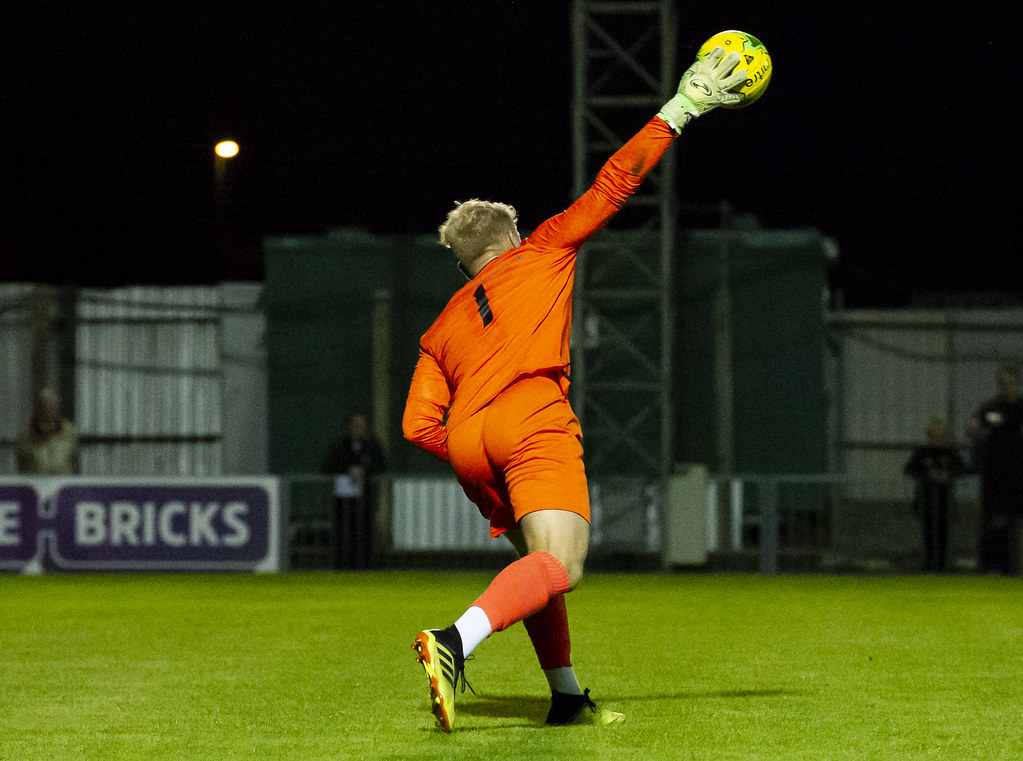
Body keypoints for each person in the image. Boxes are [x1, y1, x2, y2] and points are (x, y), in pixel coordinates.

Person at [402, 46, 749, 731]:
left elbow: (417, 426)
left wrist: (473, 446)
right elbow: (614, 183)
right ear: (515, 234)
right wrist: (679, 111)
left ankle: (565, 696)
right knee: (562, 563)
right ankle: (453, 640)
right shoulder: (542, 251)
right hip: (531, 417)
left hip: (470, 439)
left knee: (540, 567)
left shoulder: (441, 325)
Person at [965, 362, 1023, 575]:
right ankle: (992, 566)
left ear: (1017, 383)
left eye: (1008, 384)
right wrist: (974, 428)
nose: (1004, 388)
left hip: (1018, 474)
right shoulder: (991, 407)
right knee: (995, 521)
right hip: (995, 475)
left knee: (1015, 520)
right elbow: (971, 427)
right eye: (1001, 384)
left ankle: (1016, 568)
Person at [321, 413, 387, 569]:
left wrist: (363, 471)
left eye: (361, 426)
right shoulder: (339, 446)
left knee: (365, 533)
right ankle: (342, 565)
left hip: (365, 501)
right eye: (355, 425)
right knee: (343, 533)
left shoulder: (372, 447)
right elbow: (327, 467)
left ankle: (365, 566)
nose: (358, 429)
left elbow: (382, 466)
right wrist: (346, 470)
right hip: (343, 502)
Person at [904, 418, 965, 573]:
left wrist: (948, 475)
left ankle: (943, 564)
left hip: (945, 499)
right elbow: (909, 469)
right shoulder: (921, 451)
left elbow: (962, 468)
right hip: (926, 499)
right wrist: (926, 475)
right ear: (928, 436)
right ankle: (928, 563)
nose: (936, 438)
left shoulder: (950, 451)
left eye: (940, 435)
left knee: (944, 531)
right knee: (928, 531)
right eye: (933, 435)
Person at [16, 387, 79, 475]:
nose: (48, 412)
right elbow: (22, 469)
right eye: (44, 407)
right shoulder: (26, 437)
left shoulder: (70, 432)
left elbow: (76, 464)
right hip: (37, 485)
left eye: (52, 408)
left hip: (63, 485)